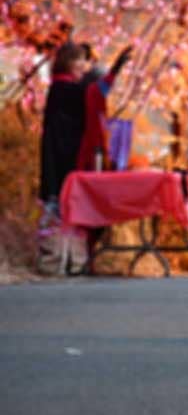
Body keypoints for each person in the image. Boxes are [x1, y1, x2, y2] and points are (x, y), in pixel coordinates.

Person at [38, 41, 131, 273]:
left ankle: (68, 260)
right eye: (79, 59)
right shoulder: (64, 89)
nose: (83, 64)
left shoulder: (62, 88)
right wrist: (113, 72)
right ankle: (66, 261)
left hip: (61, 157)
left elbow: (92, 93)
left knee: (63, 209)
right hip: (65, 159)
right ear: (67, 62)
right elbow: (94, 94)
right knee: (65, 208)